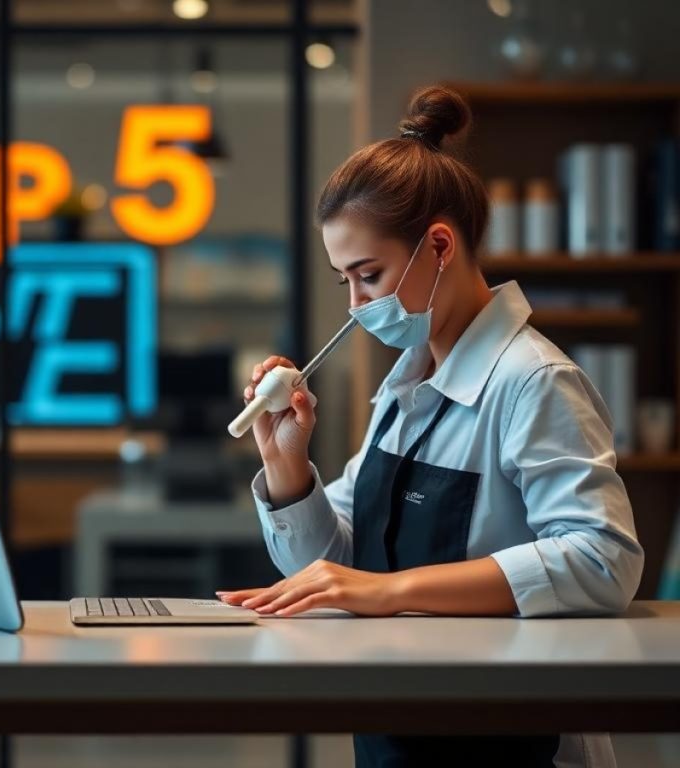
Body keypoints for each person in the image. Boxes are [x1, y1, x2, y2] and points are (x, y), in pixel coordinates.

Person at [216, 86, 644, 767]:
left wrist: (392, 593)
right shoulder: (406, 385)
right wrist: (287, 466)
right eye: (344, 283)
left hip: (509, 742)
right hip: (408, 730)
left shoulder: (532, 380)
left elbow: (602, 560)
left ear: (439, 245)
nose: (356, 306)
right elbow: (334, 572)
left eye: (369, 275)